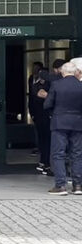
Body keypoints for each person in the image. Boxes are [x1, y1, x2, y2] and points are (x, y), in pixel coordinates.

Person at [44, 61, 82, 195]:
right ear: (75, 72)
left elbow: (47, 104)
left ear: (63, 72)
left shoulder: (56, 84)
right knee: (77, 154)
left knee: (58, 154)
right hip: (78, 123)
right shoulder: (80, 85)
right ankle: (77, 186)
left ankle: (61, 185)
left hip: (59, 123)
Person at [29, 65, 52, 176]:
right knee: (44, 140)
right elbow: (34, 99)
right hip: (42, 116)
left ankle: (45, 162)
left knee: (46, 140)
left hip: (46, 117)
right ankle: (45, 162)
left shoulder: (50, 85)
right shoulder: (37, 86)